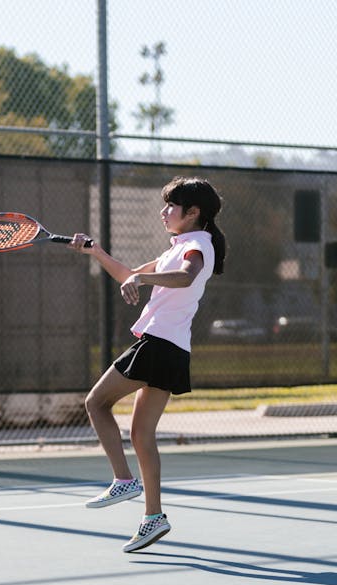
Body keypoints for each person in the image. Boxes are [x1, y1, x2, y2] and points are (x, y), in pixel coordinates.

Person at [68, 176, 227, 552]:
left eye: (171, 206)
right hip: (171, 348)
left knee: (96, 403)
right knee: (141, 435)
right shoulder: (179, 245)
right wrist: (97, 252)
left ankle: (123, 480)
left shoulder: (197, 246)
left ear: (193, 213)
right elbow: (129, 276)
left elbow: (185, 278)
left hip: (159, 344)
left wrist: (143, 277)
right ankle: (153, 516)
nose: (163, 211)